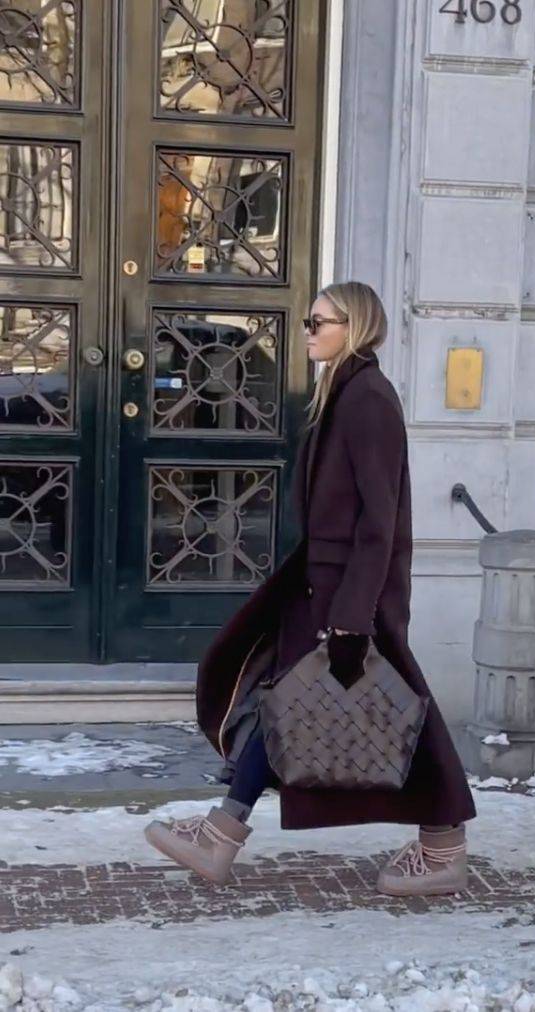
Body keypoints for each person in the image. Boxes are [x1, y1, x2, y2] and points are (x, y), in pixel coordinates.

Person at [144, 281, 476, 896]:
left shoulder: (368, 398)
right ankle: (221, 834)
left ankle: (443, 848)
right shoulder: (343, 392)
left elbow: (380, 519)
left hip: (351, 592)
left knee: (387, 710)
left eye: (319, 322)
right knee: (292, 703)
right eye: (307, 321)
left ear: (355, 327)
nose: (307, 331)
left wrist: (354, 613)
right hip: (323, 584)